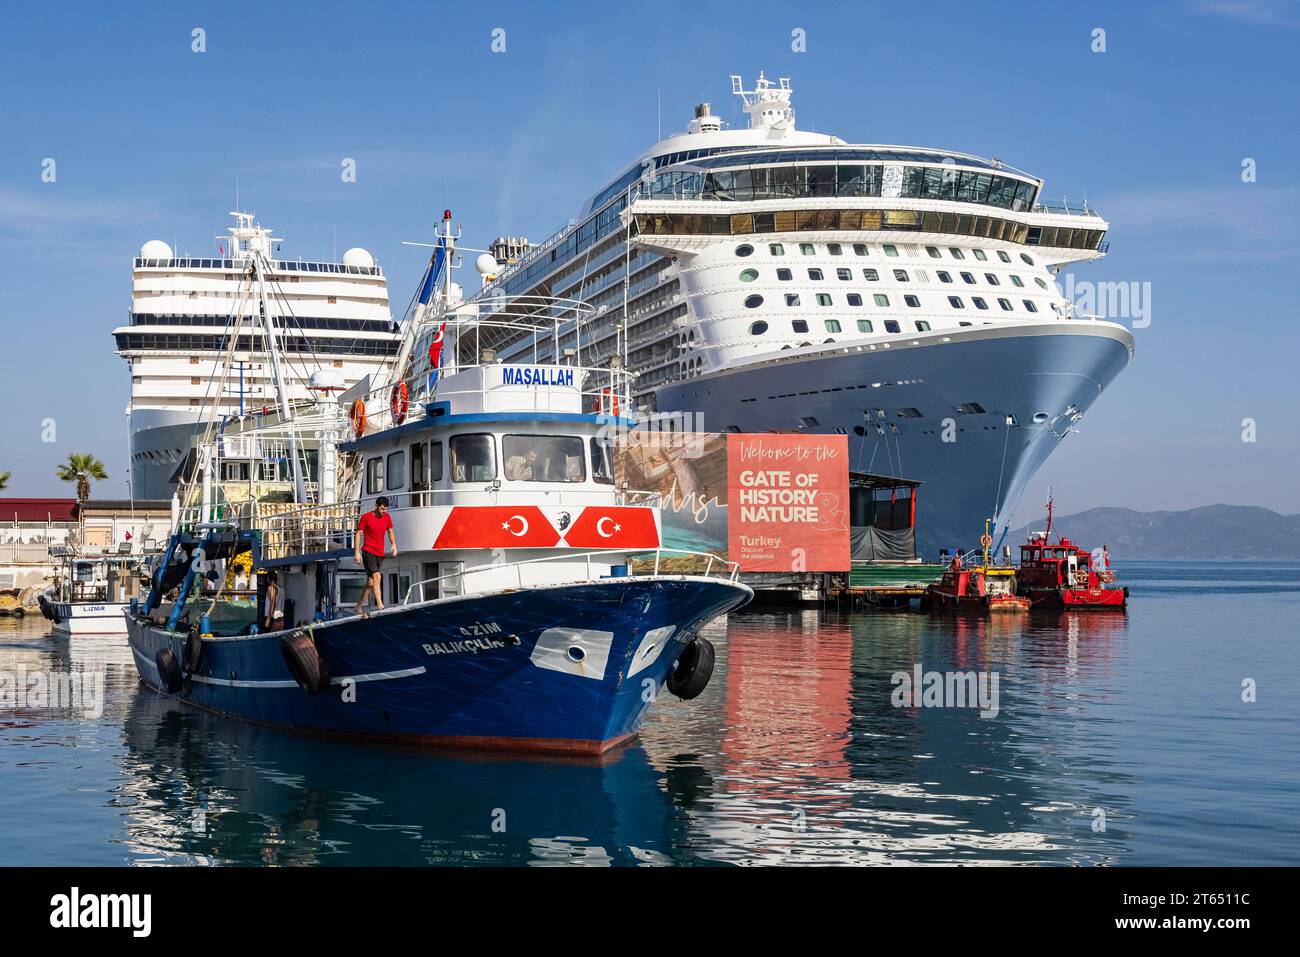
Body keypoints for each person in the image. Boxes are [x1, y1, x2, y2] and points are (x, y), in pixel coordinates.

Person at [354, 496, 398, 614]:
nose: (384, 511)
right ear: (376, 506)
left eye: (386, 509)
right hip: (368, 551)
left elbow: (390, 531)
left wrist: (393, 544)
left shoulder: (387, 517)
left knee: (371, 582)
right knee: (377, 576)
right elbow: (358, 534)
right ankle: (380, 606)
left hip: (380, 553)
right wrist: (357, 552)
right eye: (382, 509)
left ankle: (358, 606)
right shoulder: (366, 517)